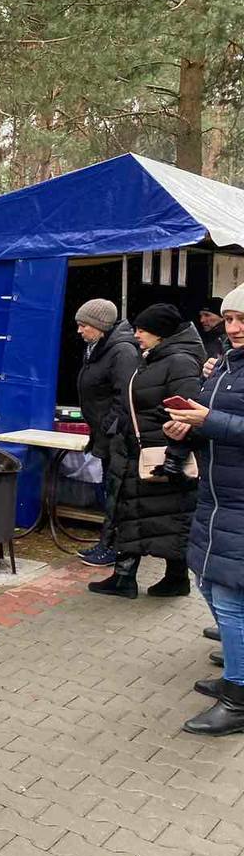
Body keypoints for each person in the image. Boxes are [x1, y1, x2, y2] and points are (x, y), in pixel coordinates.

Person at [164, 283, 244, 735]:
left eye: (242, 321)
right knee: (212, 588)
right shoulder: (227, 366)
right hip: (218, 497)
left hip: (238, 501)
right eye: (229, 319)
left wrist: (207, 420)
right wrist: (188, 431)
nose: (233, 329)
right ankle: (237, 673)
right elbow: (214, 425)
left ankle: (239, 698)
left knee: (232, 599)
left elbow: (222, 421)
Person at [88, 303, 203, 599]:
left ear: (160, 333)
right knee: (135, 514)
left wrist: (175, 455)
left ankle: (174, 578)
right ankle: (125, 577)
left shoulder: (179, 362)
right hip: (138, 450)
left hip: (161, 455)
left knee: (167, 519)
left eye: (142, 330)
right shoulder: (153, 357)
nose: (136, 334)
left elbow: (187, 412)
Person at [73, 299, 140, 568]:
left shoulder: (121, 351)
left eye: (83, 325)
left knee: (116, 493)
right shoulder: (97, 347)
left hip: (117, 438)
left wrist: (108, 428)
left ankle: (112, 548)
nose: (79, 330)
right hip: (104, 434)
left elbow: (124, 396)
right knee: (109, 491)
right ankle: (106, 542)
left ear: (99, 326)